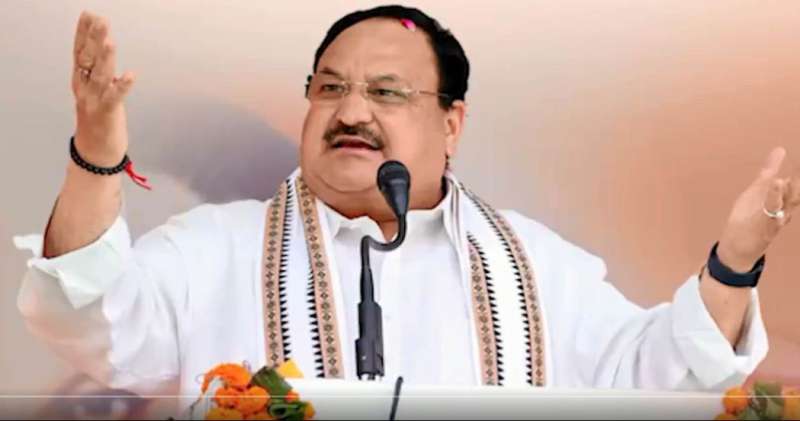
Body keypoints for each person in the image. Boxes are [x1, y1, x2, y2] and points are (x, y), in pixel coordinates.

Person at [13, 5, 799, 400]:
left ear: (452, 123)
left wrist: (734, 263)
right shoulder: (215, 248)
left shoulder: (533, 265)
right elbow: (86, 315)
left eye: (387, 92)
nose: (351, 110)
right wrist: (97, 155)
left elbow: (658, 373)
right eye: (330, 89)